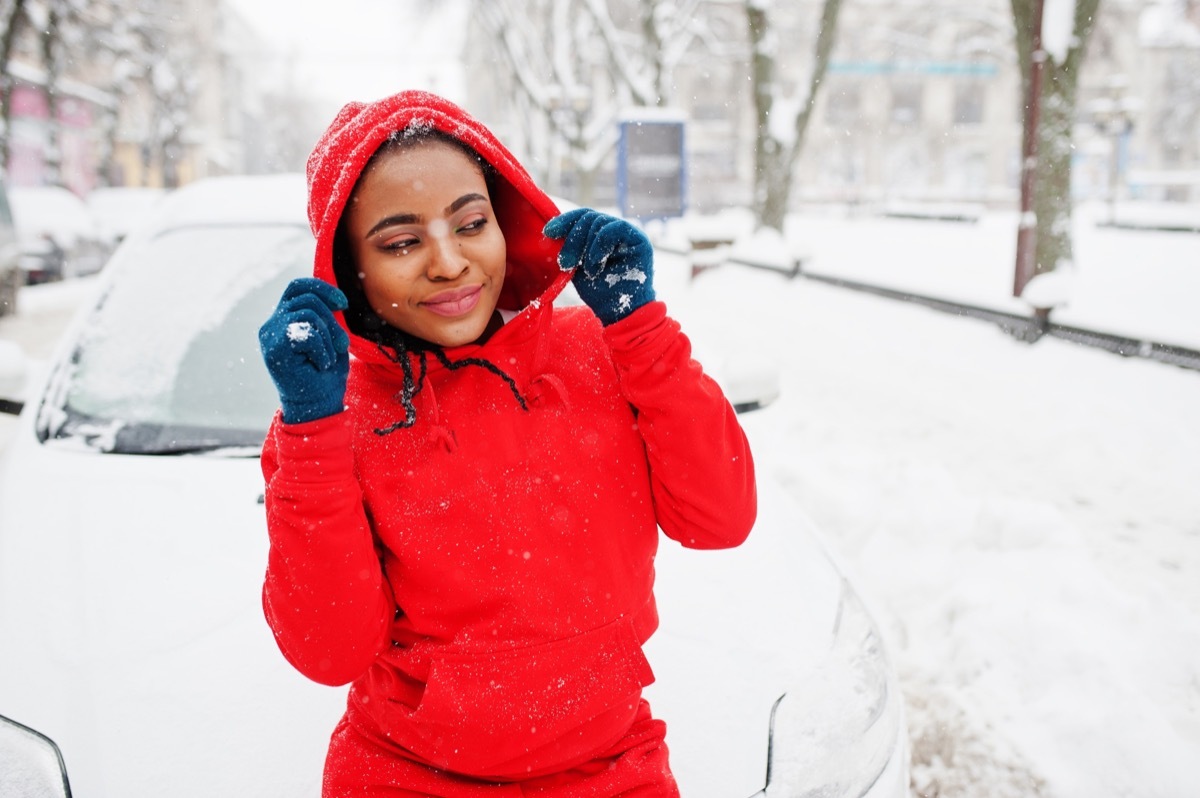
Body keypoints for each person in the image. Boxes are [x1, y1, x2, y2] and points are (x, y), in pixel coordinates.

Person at [257, 90, 757, 797]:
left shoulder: (600, 352)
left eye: (471, 223)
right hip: (405, 777)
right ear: (349, 268)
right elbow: (329, 648)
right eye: (402, 242)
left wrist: (641, 329)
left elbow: (720, 519)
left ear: (505, 221)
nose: (450, 262)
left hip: (612, 769)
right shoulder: (334, 414)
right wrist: (310, 432)